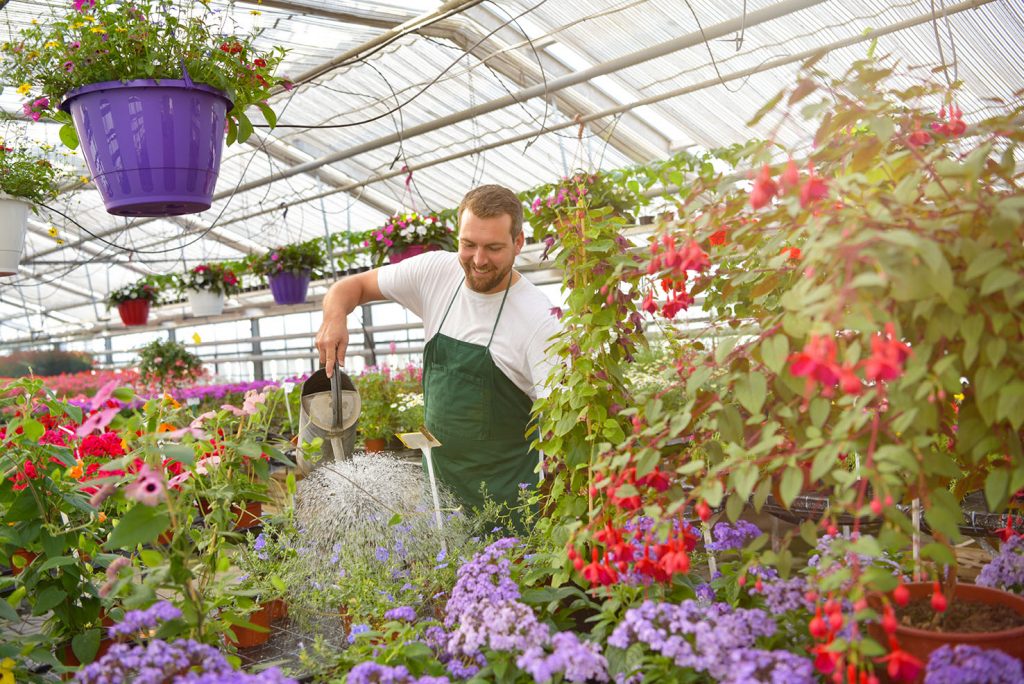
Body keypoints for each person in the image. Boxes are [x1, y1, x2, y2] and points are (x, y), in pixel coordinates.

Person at [315, 184, 561, 518]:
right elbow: (349, 287)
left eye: (493, 247)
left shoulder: (539, 320)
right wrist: (334, 317)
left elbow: (565, 431)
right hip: (440, 500)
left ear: (518, 243)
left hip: (509, 509)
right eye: (468, 244)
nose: (478, 259)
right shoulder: (436, 273)